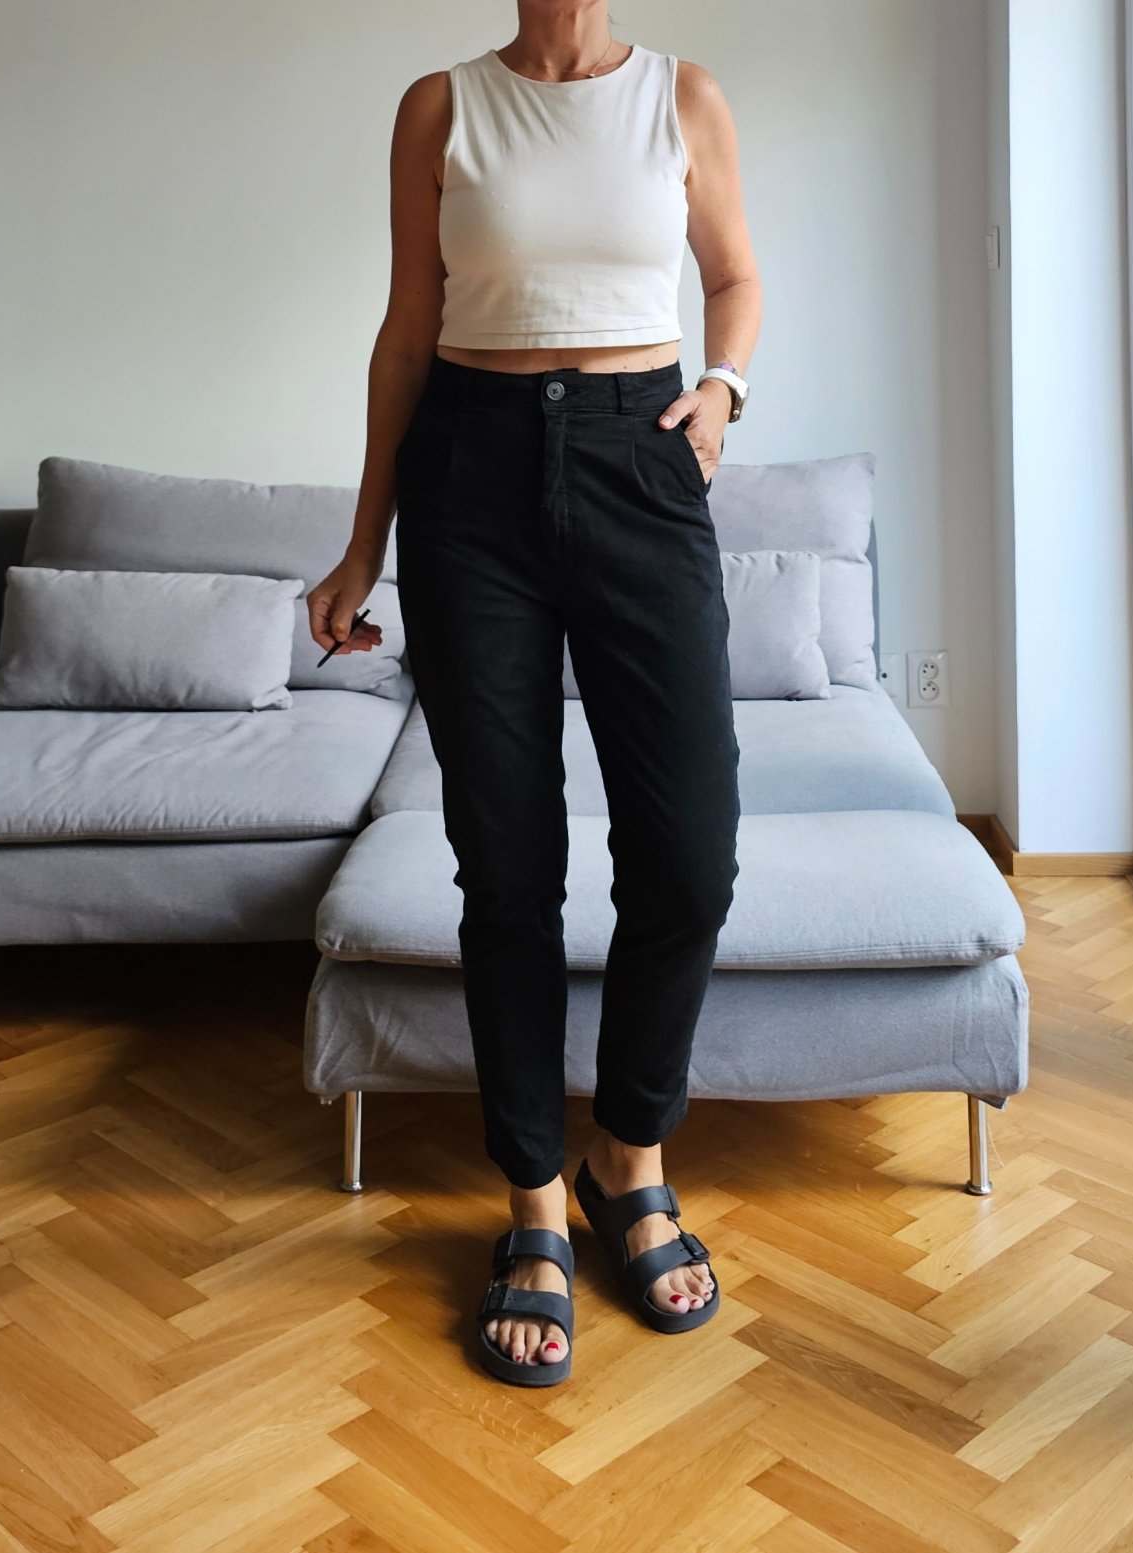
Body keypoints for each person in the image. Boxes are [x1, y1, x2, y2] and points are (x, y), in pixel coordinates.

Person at [306, 1, 760, 1387]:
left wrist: (722, 391)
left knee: (689, 855)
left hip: (640, 461)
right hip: (471, 479)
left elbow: (734, 276)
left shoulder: (682, 96)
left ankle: (629, 1153)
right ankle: (534, 1202)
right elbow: (406, 329)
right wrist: (364, 541)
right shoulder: (440, 107)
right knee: (507, 865)